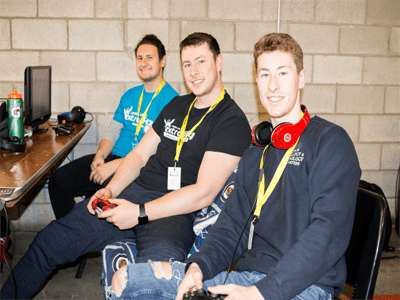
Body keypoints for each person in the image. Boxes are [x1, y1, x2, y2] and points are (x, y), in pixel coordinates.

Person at [109, 33, 361, 300]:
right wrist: (199, 267)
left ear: (301, 78)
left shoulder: (329, 141)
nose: (273, 86)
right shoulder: (256, 149)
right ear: (256, 81)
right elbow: (231, 226)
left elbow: (327, 234)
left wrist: (261, 293)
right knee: (126, 280)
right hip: (248, 279)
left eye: (283, 73)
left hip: (305, 287)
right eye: (264, 75)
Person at [0, 32, 251, 299]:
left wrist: (139, 213)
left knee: (149, 286)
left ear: (219, 62)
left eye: (201, 61)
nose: (193, 71)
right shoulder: (178, 105)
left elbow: (203, 192)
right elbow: (140, 155)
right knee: (48, 242)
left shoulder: (231, 120)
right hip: (132, 194)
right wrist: (112, 190)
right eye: (187, 64)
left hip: (174, 213)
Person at [48, 34, 179, 220]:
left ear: (163, 61)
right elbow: (113, 130)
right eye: (139, 58)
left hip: (140, 169)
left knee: (91, 206)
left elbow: (160, 153)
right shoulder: (129, 96)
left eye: (150, 57)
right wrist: (100, 156)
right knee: (58, 182)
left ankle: (79, 235)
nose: (143, 62)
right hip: (113, 158)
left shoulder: (173, 102)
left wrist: (114, 167)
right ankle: (76, 241)